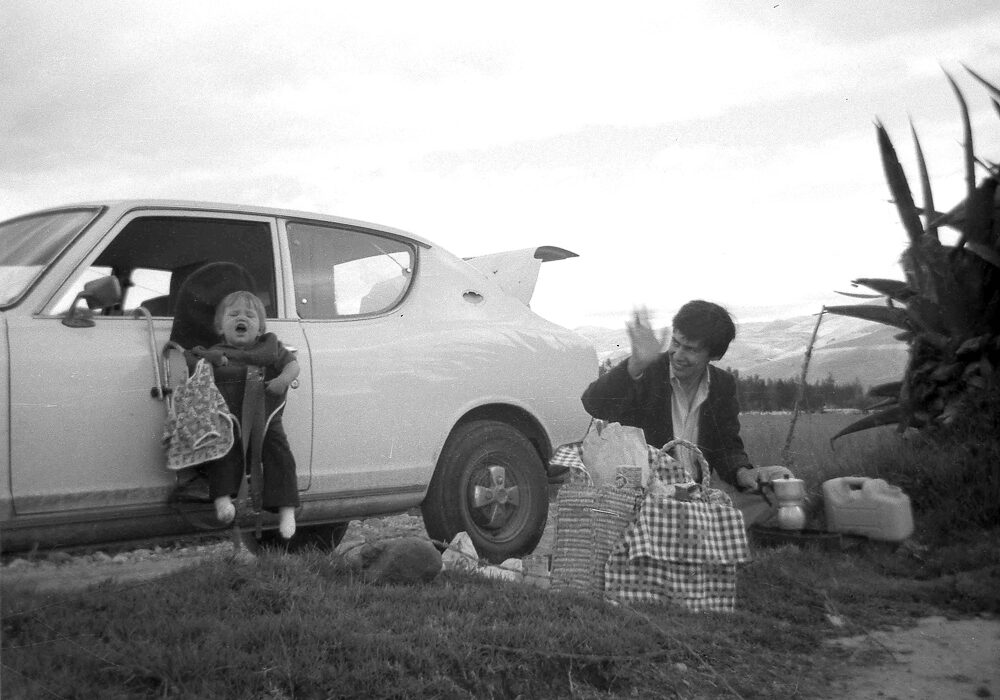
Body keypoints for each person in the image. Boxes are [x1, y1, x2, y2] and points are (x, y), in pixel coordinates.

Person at [580, 300, 791, 525]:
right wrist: (635, 364)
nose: (678, 354)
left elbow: (727, 446)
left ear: (714, 355)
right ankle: (703, 529)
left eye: (690, 349)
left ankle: (703, 526)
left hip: (696, 497)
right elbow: (594, 403)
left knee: (782, 480)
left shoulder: (722, 385)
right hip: (651, 499)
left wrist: (743, 473)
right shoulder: (647, 371)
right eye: (676, 342)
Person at [185, 290, 300, 539]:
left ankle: (287, 510)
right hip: (230, 418)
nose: (242, 318)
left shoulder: (270, 347)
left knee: (278, 452)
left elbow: (293, 365)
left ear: (259, 327)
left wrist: (283, 379)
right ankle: (223, 500)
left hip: (266, 414)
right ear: (220, 326)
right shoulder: (216, 352)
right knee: (222, 450)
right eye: (234, 314)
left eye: (250, 315)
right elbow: (197, 369)